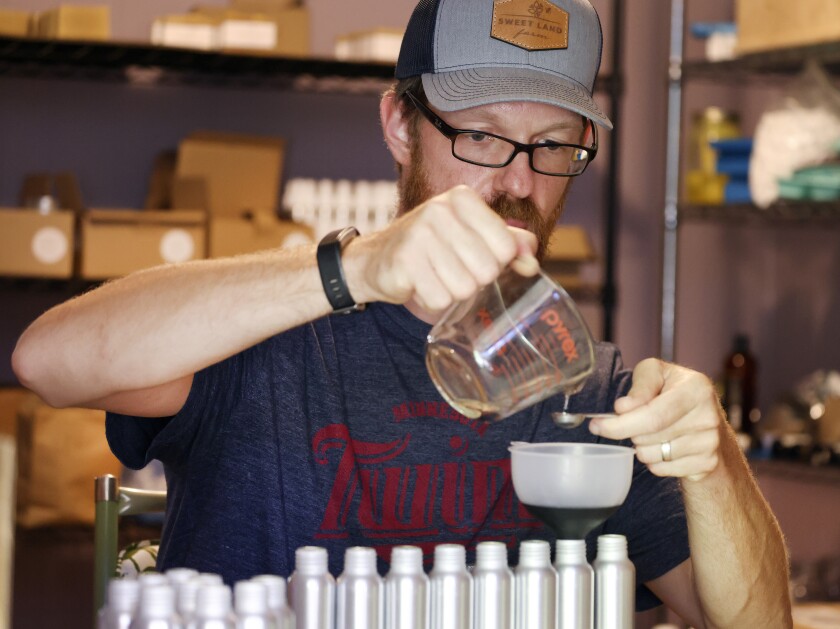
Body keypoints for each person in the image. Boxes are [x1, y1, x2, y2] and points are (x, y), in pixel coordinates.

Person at [12, 0, 791, 625]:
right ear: (399, 126)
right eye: (483, 136)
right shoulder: (265, 338)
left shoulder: (589, 393)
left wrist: (712, 455)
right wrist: (352, 268)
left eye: (553, 145)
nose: (520, 180)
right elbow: (47, 362)